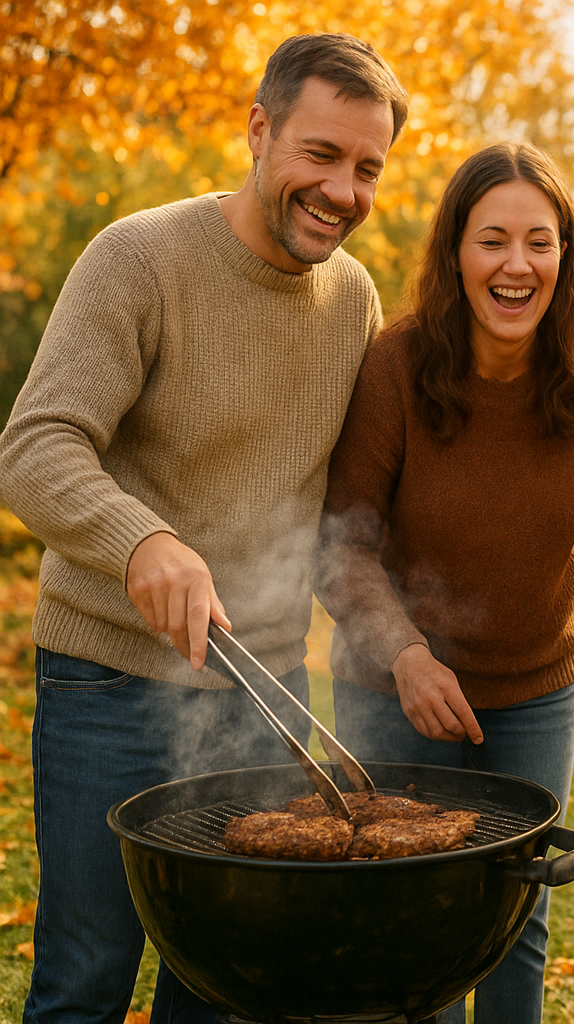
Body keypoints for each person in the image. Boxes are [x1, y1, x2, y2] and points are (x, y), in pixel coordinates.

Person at [0, 34, 408, 1024]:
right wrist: (146, 540)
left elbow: (345, 511)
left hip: (263, 696)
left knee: (231, 980)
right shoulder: (139, 257)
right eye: (321, 154)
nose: (343, 190)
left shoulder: (353, 298)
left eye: (367, 169)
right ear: (259, 130)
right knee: (89, 974)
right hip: (109, 683)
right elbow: (35, 445)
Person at [314, 142, 574, 1023]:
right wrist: (407, 656)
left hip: (535, 687)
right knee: (409, 913)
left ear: (565, 257)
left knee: (516, 911)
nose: (516, 264)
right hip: (393, 687)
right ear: (455, 251)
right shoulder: (397, 363)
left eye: (540, 242)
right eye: (492, 239)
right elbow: (339, 547)